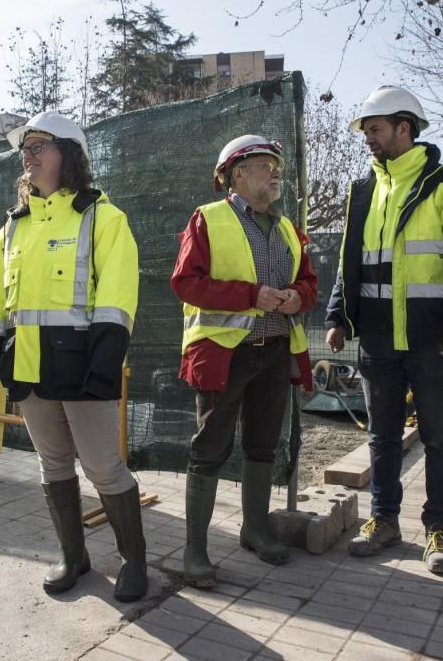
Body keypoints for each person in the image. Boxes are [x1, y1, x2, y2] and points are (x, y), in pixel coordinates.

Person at [0, 112, 147, 603]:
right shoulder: (14, 228)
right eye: (26, 149)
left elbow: (118, 299)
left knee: (104, 468)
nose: (30, 155)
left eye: (40, 145)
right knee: (53, 464)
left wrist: (104, 369)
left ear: (70, 155)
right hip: (28, 371)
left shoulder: (103, 217)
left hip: (84, 371)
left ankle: (134, 562)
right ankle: (74, 557)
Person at [324, 86, 443, 574]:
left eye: (375, 130)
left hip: (433, 341)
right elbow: (350, 265)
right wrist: (336, 316)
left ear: (404, 128)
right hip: (376, 342)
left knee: (438, 438)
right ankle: (384, 520)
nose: (368, 139)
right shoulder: (363, 193)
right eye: (367, 131)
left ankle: (439, 530)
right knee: (382, 439)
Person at [171, 135, 317, 588]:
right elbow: (186, 283)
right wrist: (251, 296)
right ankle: (195, 552)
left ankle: (254, 531)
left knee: (262, 446)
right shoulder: (208, 220)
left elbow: (309, 282)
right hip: (224, 356)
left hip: (274, 353)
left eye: (276, 165)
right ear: (237, 174)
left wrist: (298, 297)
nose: (275, 172)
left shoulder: (289, 228)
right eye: (265, 165)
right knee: (209, 450)